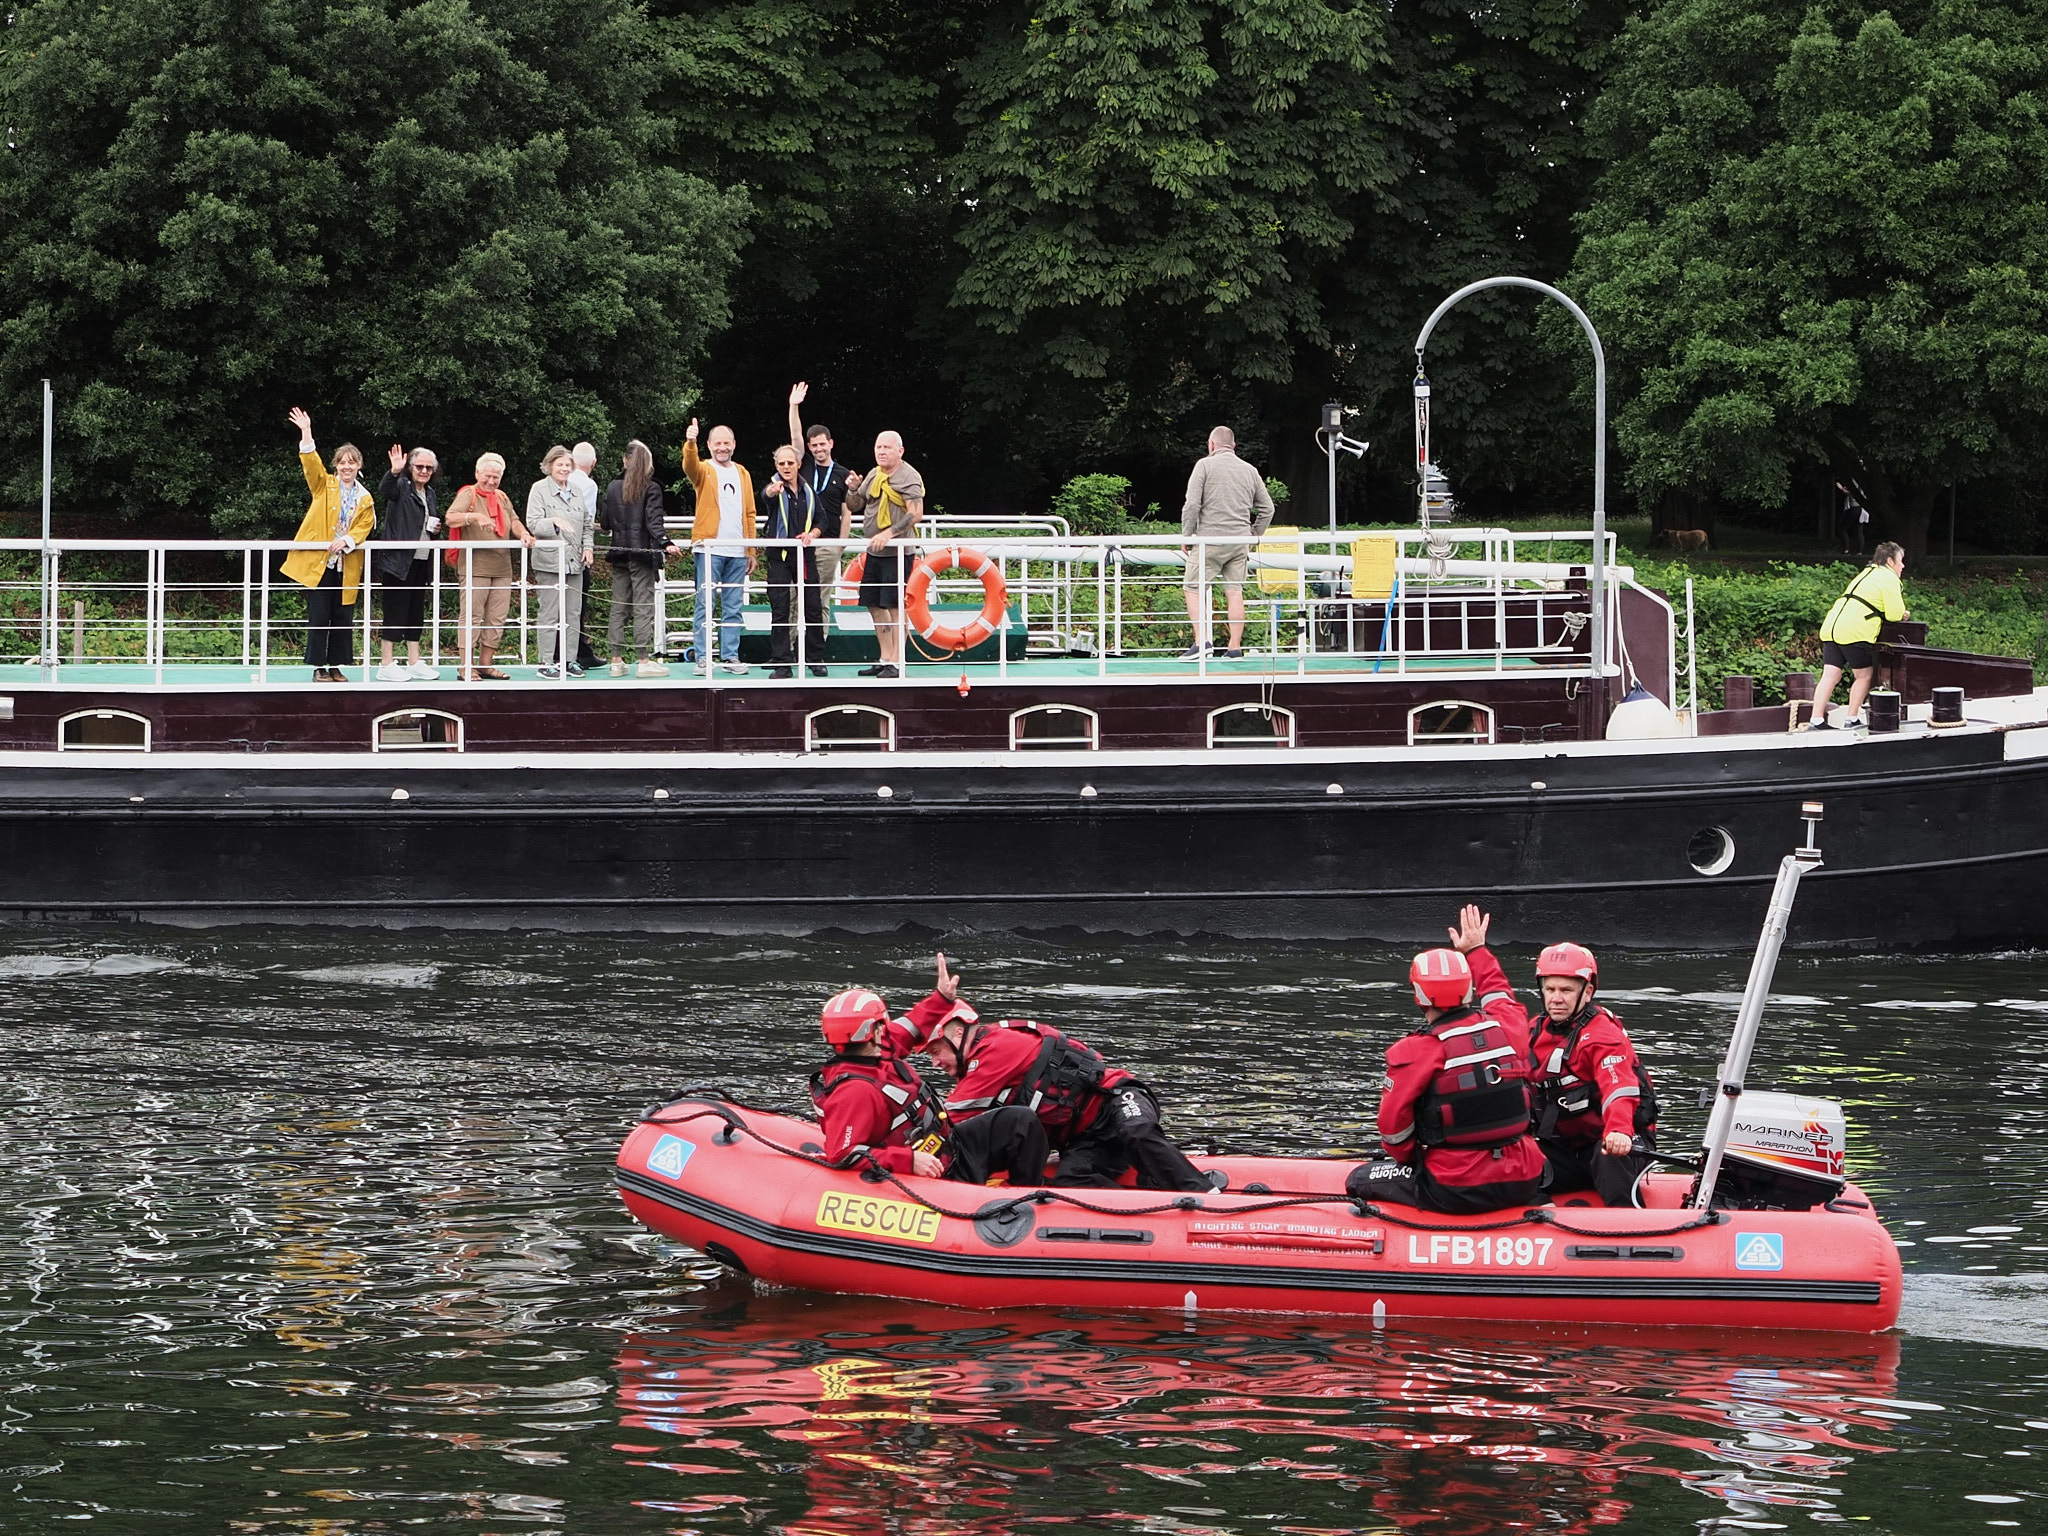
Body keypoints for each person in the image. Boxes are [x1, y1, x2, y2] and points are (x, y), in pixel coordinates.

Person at [921, 956, 1209, 1192]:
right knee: (1070, 1182)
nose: (934, 1063)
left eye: (935, 1052)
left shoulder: (997, 1049)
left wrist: (908, 1155)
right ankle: (1152, 1210)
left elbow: (949, 1122)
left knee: (1137, 1132)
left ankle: (1204, 1195)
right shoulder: (981, 1065)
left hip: (1118, 1099)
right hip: (1088, 1137)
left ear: (958, 1034)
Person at [1345, 906, 1545, 1215]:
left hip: (1456, 1188)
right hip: (1526, 1177)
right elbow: (1499, 993)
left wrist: (1414, 1160)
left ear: (1419, 994)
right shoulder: (1510, 1027)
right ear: (1468, 987)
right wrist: (1476, 950)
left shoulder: (1415, 1051)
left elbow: (1393, 1131)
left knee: (1357, 1179)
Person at [813, 964, 1049, 1187]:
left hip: (951, 1147)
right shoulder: (854, 1091)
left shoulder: (881, 1049)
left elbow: (915, 1023)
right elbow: (842, 1154)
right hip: (935, 1174)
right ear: (874, 1029)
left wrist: (942, 998)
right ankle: (1019, 1207)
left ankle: (1025, 1192)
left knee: (1021, 1121)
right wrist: (909, 1160)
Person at [1527, 941, 1659, 1207]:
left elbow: (1618, 1087)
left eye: (1566, 990)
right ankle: (1543, 1216)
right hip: (1566, 1148)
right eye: (1550, 989)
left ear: (1587, 992)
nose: (1556, 998)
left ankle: (1631, 1226)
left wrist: (1619, 1130)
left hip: (1616, 1142)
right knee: (1515, 1156)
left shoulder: (1602, 1035)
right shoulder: (1534, 1031)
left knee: (1609, 1154)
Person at [283, 407, 377, 682]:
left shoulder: (365, 497)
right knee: (319, 614)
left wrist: (347, 541)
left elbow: (364, 526)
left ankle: (336, 665)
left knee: (343, 614)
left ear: (359, 465)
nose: (347, 467)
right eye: (342, 463)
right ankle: (318, 667)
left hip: (346, 563)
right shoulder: (325, 485)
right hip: (320, 562)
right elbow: (311, 465)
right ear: (336, 465)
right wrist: (306, 431)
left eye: (352, 462)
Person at [1179, 426, 1275, 659]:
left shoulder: (1204, 465)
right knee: (1234, 592)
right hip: (1239, 542)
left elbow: (1192, 505)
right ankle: (1234, 647)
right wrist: (1252, 536)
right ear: (1233, 446)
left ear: (1211, 445)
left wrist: (1187, 535)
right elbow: (1268, 509)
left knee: (1193, 588)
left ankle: (1202, 643)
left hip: (1209, 540)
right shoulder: (1250, 470)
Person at [443, 451, 535, 681]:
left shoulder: (502, 497)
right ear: (477, 473)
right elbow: (450, 517)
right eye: (487, 476)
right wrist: (474, 518)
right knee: (471, 616)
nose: (491, 481)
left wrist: (523, 533)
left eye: (496, 477)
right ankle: (466, 666)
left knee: (497, 617)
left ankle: (485, 664)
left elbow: (513, 520)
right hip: (475, 565)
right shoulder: (469, 494)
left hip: (502, 566)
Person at [841, 431, 925, 679]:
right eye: (879, 447)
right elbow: (855, 505)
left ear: (900, 450)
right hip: (874, 552)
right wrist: (854, 489)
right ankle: (885, 657)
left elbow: (916, 514)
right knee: (874, 605)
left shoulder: (909, 477)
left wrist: (889, 534)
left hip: (899, 552)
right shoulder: (874, 474)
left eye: (887, 447)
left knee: (896, 606)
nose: (882, 451)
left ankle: (898, 662)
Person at [681, 419, 756, 676]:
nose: (722, 448)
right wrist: (690, 442)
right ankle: (703, 657)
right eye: (717, 443)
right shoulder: (704, 469)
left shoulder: (743, 472)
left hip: (738, 550)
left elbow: (750, 513)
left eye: (726, 443)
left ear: (734, 445)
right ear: (709, 445)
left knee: (734, 606)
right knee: (705, 604)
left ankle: (730, 657)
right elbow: (689, 466)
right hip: (709, 548)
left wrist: (751, 550)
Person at [600, 439, 680, 677]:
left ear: (625, 460)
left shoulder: (613, 487)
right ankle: (643, 661)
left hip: (618, 553)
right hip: (642, 555)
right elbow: (654, 521)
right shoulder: (651, 487)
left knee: (618, 606)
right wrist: (667, 542)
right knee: (643, 606)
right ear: (648, 464)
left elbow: (605, 523)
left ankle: (616, 660)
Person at [1812, 541, 1908, 730]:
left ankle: (1815, 720)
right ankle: (1852, 718)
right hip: (1855, 630)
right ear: (1890, 561)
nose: (1903, 566)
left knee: (1830, 674)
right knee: (1864, 675)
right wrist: (1905, 613)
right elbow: (1894, 614)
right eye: (1901, 561)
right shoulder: (1888, 578)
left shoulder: (1865, 573)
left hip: (1832, 626)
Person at [371, 442, 441, 681]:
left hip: (421, 558)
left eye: (428, 468)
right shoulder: (401, 485)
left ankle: (414, 660)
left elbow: (425, 521)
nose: (424, 471)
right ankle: (386, 663)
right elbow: (385, 490)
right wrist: (394, 471)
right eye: (419, 466)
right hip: (398, 559)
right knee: (395, 609)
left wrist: (436, 527)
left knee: (415, 609)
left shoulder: (429, 493)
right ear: (410, 467)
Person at [524, 445, 595, 678]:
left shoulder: (576, 490)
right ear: (550, 465)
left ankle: (569, 660)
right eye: (560, 464)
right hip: (549, 562)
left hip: (575, 562)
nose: (564, 469)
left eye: (567, 465)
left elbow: (586, 524)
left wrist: (588, 548)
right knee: (549, 613)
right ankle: (546, 662)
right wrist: (553, 520)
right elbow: (533, 523)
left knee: (573, 613)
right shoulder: (539, 489)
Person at [761, 444, 831, 678]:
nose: (786, 467)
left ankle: (815, 658)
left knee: (813, 607)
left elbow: (822, 520)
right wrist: (773, 491)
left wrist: (813, 535)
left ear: (799, 464)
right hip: (778, 557)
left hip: (805, 556)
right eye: (781, 463)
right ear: (776, 466)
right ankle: (782, 662)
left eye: (790, 462)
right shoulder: (774, 487)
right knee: (780, 608)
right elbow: (766, 496)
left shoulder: (809, 491)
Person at [787, 382, 855, 591]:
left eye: (822, 444)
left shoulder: (843, 473)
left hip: (828, 544)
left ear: (831, 444)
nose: (818, 449)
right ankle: (794, 626)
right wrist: (794, 406)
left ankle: (819, 627)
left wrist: (841, 544)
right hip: (801, 539)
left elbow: (847, 512)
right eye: (814, 445)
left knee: (820, 597)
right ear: (809, 447)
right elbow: (795, 435)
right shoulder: (804, 465)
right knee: (794, 594)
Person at [567, 442, 604, 671]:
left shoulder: (560, 480)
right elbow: (586, 519)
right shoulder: (588, 485)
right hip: (578, 550)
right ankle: (580, 650)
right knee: (578, 602)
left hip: (557, 548)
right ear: (593, 463)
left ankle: (570, 650)